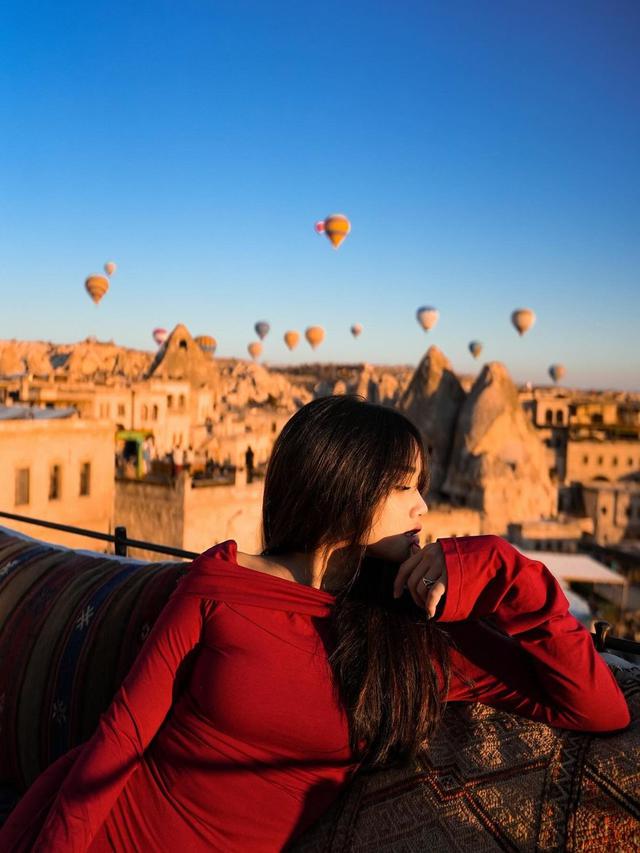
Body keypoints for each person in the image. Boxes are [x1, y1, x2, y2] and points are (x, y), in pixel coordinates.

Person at [0, 396, 630, 852]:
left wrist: (499, 566)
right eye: (405, 485)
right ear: (345, 483)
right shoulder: (220, 583)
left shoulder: (415, 639)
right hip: (117, 831)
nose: (424, 505)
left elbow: (596, 708)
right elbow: (122, 737)